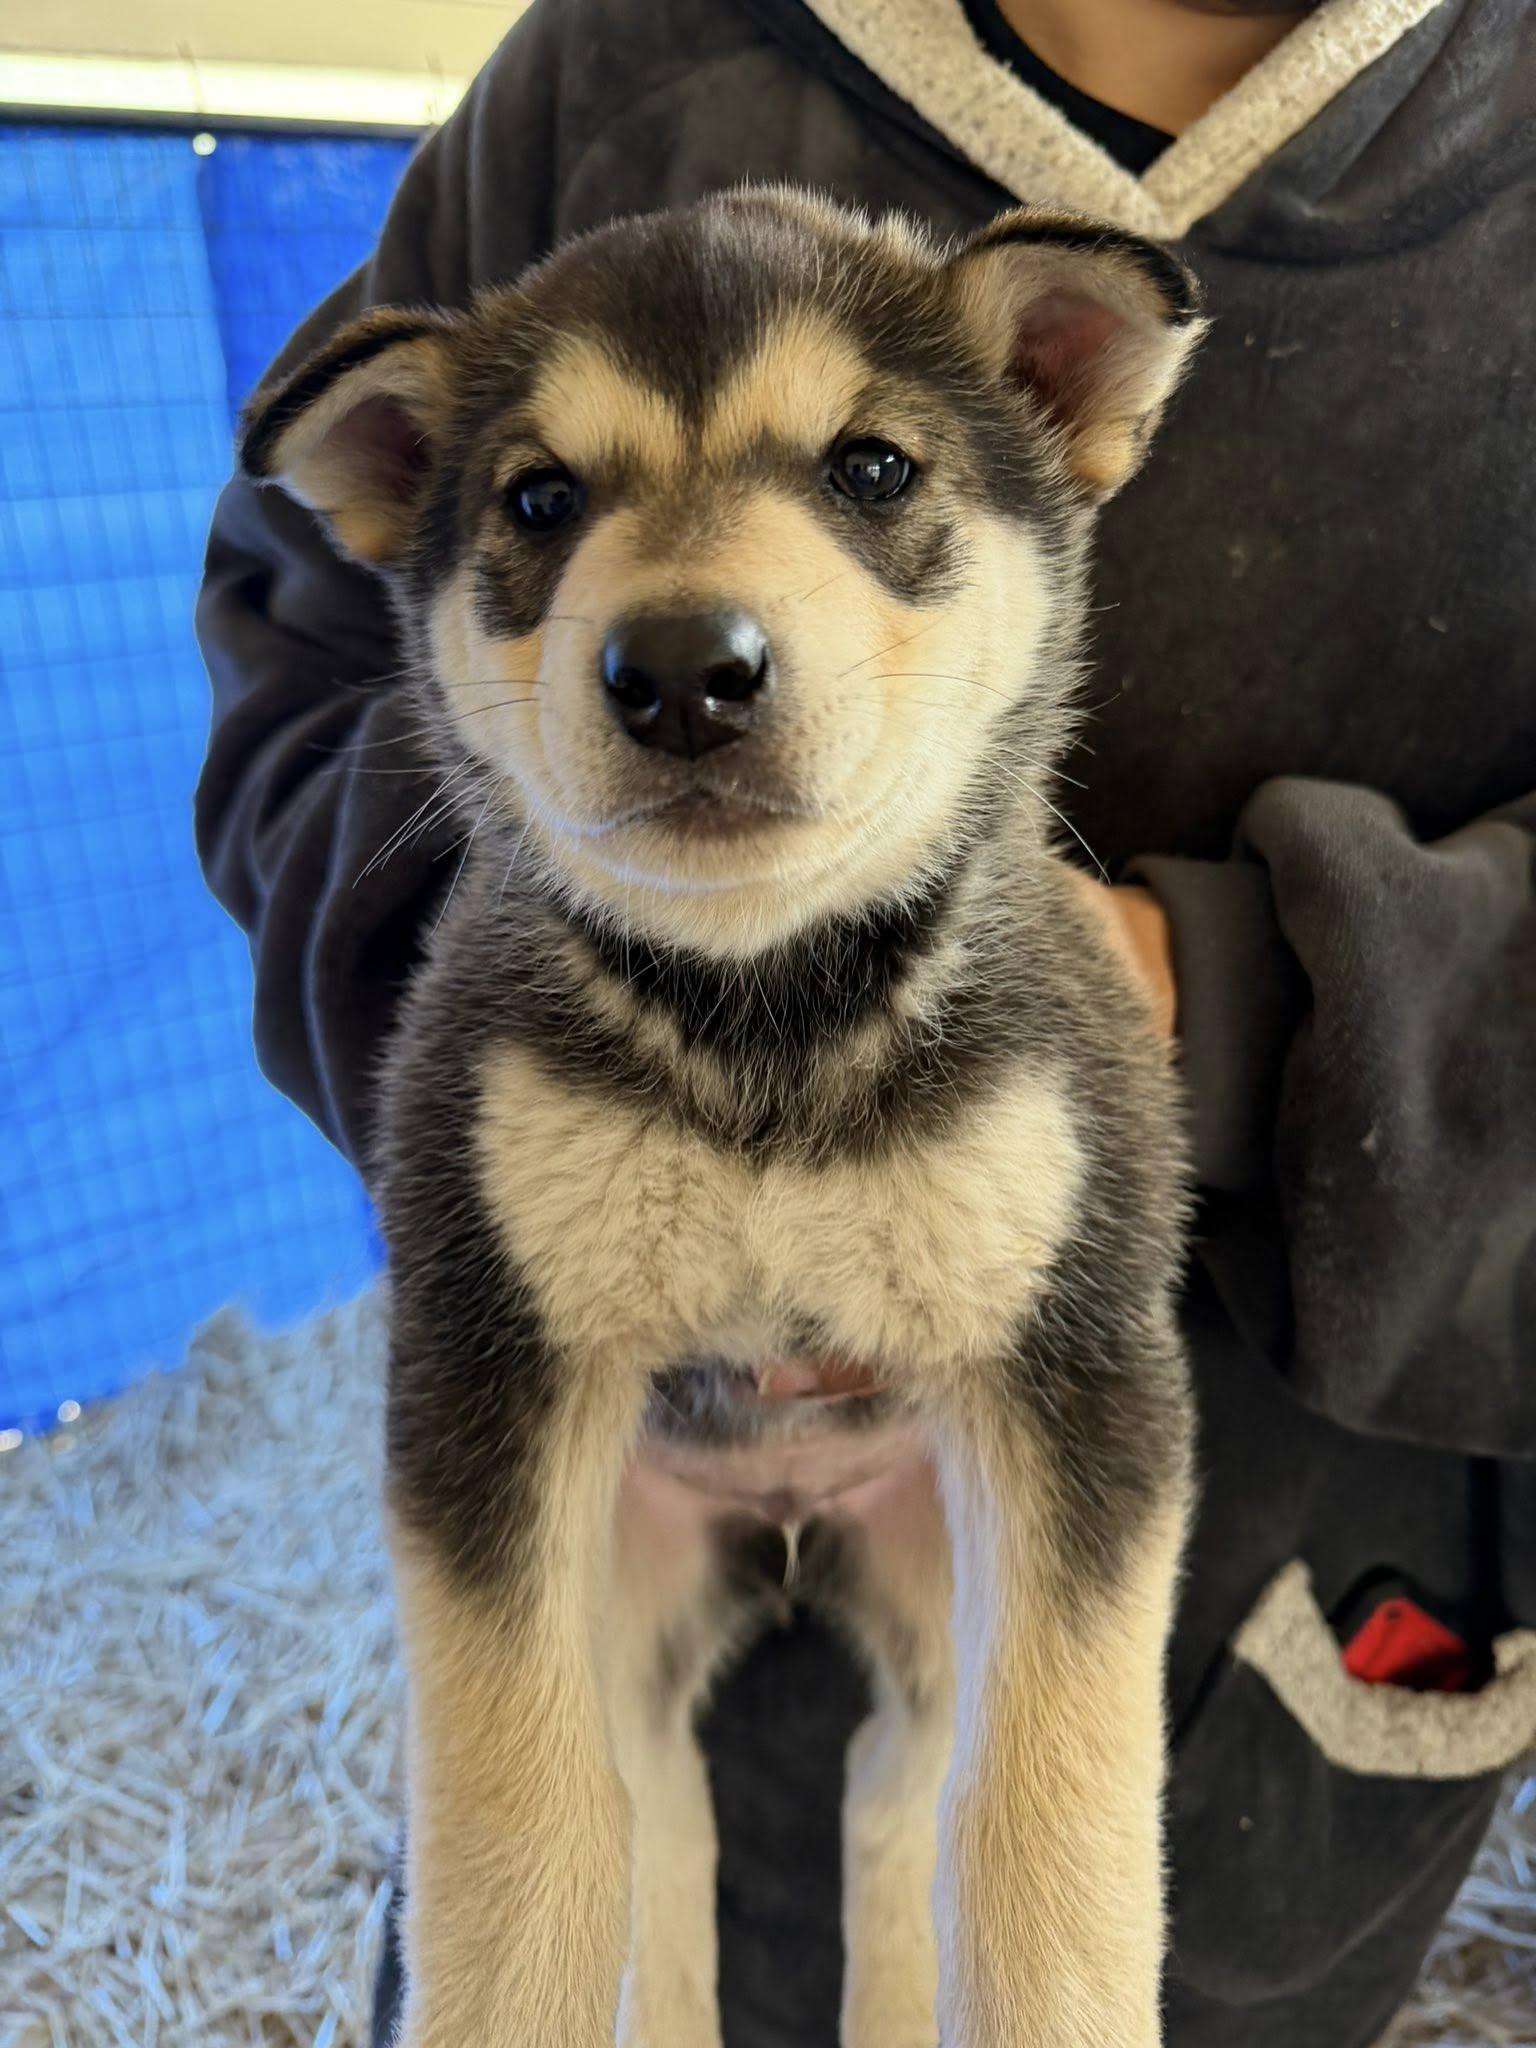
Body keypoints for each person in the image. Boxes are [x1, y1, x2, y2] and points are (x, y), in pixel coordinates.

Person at [194, 0, 1536, 2042]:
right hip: (618, 1743)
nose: (692, 623)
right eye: (549, 507)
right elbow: (298, 688)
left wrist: (1269, 1014)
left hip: (1296, 1648)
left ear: (1068, 388)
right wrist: (543, 1043)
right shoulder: (615, 65)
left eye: (871, 469)